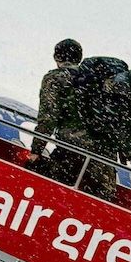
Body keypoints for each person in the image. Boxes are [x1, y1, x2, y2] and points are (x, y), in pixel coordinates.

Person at [30, 39, 93, 187]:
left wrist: (36, 150)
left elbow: (48, 119)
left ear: (56, 57)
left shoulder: (55, 78)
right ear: (79, 58)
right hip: (104, 162)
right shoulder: (94, 80)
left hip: (72, 155)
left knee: (44, 192)